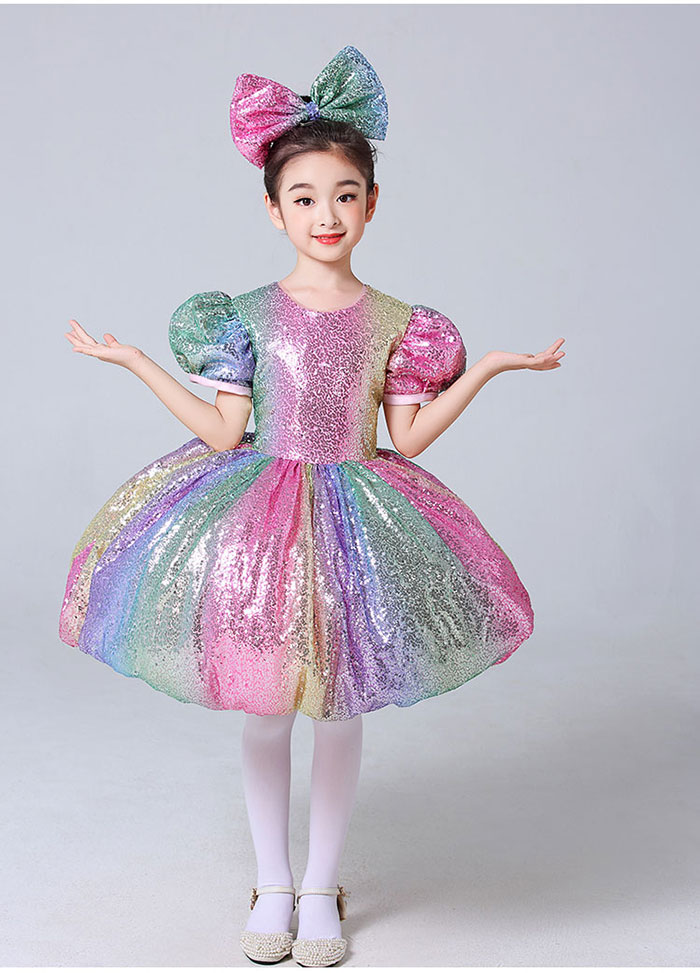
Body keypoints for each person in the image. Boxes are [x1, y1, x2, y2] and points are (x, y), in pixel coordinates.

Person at [60, 45, 563, 968]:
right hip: (263, 524)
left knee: (338, 707)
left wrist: (487, 368)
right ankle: (272, 879)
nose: (325, 215)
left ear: (371, 204)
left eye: (343, 196)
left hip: (355, 522)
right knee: (265, 708)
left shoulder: (401, 323)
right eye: (304, 198)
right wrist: (137, 362)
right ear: (273, 209)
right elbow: (225, 433)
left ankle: (324, 883)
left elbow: (408, 438)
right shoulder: (245, 314)